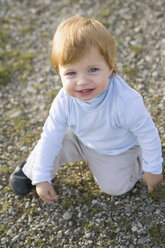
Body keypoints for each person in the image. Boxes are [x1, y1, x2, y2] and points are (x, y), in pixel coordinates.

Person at [9, 16, 163, 204]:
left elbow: (148, 134)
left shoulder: (125, 102)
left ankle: (138, 164)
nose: (82, 81)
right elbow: (50, 136)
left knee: (115, 188)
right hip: (80, 139)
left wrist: (153, 168)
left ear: (110, 66)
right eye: (71, 73)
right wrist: (41, 178)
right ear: (59, 73)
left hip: (116, 149)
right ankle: (32, 171)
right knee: (52, 143)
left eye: (92, 70)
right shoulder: (64, 100)